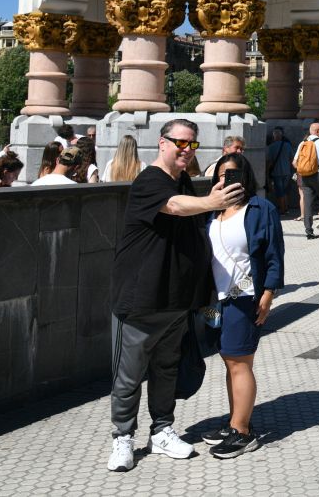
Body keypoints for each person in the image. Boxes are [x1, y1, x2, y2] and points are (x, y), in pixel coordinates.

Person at [106, 118, 240, 472]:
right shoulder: (149, 180)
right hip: (140, 301)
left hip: (174, 301)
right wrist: (212, 201)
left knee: (166, 370)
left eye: (192, 144)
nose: (186, 150)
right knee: (129, 375)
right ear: (161, 143)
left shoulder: (179, 179)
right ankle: (122, 438)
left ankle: (162, 430)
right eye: (180, 143)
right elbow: (176, 207)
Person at [199, 152, 284, 459]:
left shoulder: (261, 209)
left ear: (245, 177)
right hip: (214, 302)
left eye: (232, 174)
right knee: (227, 358)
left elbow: (274, 254)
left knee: (240, 361)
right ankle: (235, 420)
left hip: (243, 298)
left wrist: (268, 294)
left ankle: (243, 432)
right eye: (220, 175)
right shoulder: (212, 210)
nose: (226, 180)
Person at [294, 123, 319, 238]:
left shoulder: (303, 143)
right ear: (318, 131)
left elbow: (294, 161)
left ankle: (309, 231)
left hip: (305, 176)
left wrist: (303, 170)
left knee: (308, 203)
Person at [265, 127, 295, 218]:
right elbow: (292, 159)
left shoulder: (271, 147)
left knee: (280, 192)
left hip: (277, 172)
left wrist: (266, 171)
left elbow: (269, 161)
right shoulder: (288, 145)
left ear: (274, 137)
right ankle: (286, 208)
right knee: (285, 191)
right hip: (287, 172)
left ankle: (283, 210)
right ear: (281, 136)